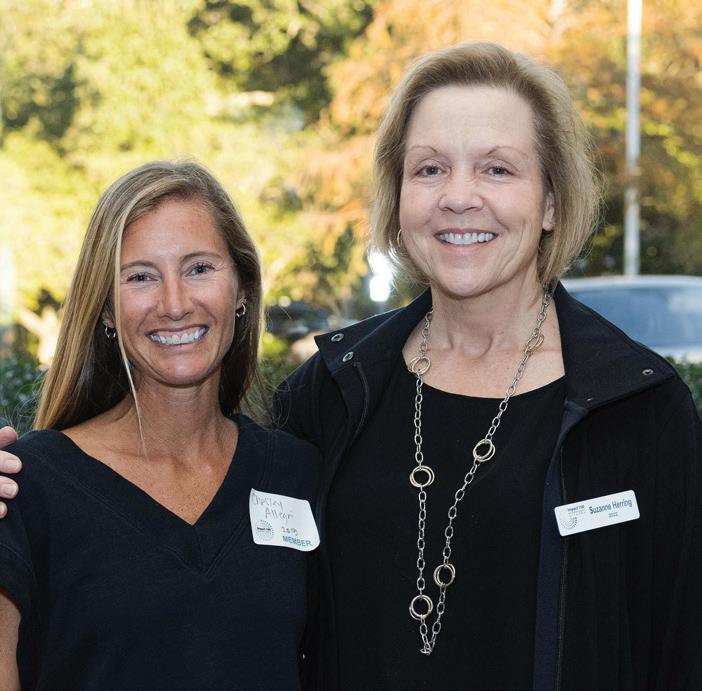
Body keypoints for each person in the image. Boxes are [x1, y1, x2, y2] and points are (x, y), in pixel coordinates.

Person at [1, 42, 701, 690]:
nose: (459, 195)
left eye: (497, 167)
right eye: (429, 168)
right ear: (398, 200)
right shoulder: (335, 393)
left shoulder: (636, 408)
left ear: (550, 200)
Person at [0, 160, 320, 690]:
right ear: (106, 309)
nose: (174, 304)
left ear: (242, 289)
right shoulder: (25, 487)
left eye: (199, 268)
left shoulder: (298, 471)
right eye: (141, 277)